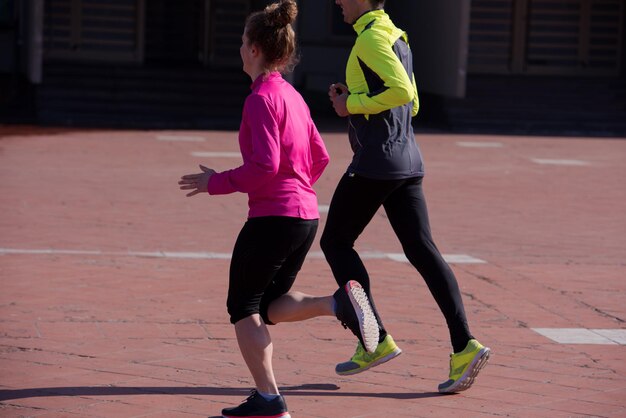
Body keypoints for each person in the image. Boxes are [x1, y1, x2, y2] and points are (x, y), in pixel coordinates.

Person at [178, 1, 379, 416]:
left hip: (275, 218)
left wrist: (215, 182)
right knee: (270, 304)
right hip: (305, 217)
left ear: (255, 49)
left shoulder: (259, 100)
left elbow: (265, 166)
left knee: (243, 308)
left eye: (241, 42)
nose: (239, 49)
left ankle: (269, 399)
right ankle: (336, 303)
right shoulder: (293, 96)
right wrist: (298, 190)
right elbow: (320, 156)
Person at [323, 0, 491, 393]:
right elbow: (412, 102)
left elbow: (401, 91)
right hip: (409, 159)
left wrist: (352, 105)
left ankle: (375, 339)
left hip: (377, 162)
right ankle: (464, 345)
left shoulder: (369, 39)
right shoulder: (396, 35)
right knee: (422, 250)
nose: (338, 2)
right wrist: (359, 100)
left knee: (335, 242)